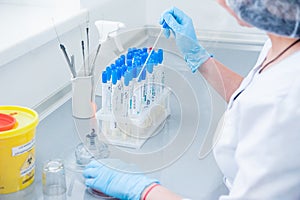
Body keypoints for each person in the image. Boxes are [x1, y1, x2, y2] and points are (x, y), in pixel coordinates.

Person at [83, 0, 300, 199]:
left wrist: (143, 190)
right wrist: (200, 57)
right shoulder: (283, 43)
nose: (222, 3)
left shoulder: (285, 103)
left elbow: (271, 101)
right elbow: (253, 92)